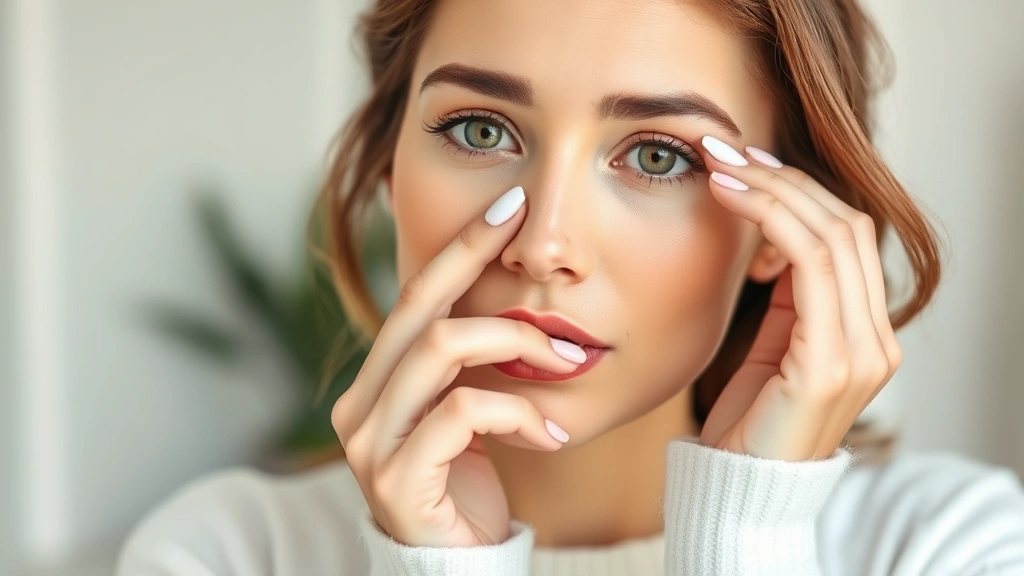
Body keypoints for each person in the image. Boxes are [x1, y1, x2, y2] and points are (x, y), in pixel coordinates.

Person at [116, 0, 1024, 574]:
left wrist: (748, 544)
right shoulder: (225, 553)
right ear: (392, 176)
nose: (545, 244)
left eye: (659, 155)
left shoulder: (951, 547)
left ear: (779, 229)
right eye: (479, 132)